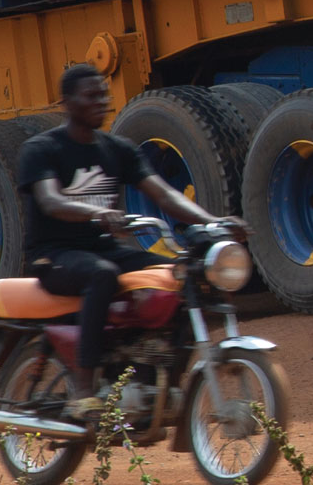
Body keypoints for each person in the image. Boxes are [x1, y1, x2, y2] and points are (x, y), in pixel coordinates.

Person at [20, 65, 245, 414]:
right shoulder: (43, 149)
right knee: (102, 275)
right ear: (66, 102)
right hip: (53, 254)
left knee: (183, 276)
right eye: (91, 95)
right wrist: (95, 213)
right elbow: (50, 200)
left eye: (104, 94)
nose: (102, 101)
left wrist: (215, 221)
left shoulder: (118, 149)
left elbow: (165, 195)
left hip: (104, 249)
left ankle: (161, 379)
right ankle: (83, 388)